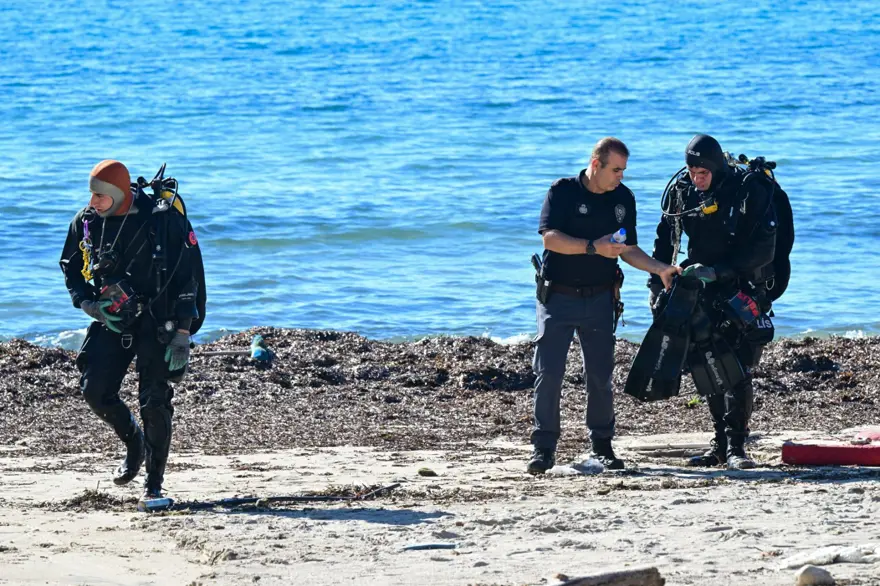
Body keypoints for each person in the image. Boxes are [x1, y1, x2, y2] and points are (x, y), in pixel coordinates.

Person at [528, 138, 680, 474]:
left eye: (623, 170)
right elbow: (549, 238)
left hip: (600, 298)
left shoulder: (623, 198)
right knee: (549, 373)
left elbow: (627, 249)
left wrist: (660, 269)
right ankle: (543, 448)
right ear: (595, 165)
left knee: (600, 375)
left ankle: (602, 446)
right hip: (558, 296)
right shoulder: (562, 191)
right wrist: (592, 248)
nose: (620, 177)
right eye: (615, 170)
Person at [59, 160, 203, 504]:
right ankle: (133, 442)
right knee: (95, 390)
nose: (92, 201)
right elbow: (71, 268)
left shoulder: (162, 219)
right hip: (114, 317)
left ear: (120, 193)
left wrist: (183, 332)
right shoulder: (88, 222)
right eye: (91, 193)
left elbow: (190, 278)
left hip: (159, 318)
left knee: (154, 401)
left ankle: (154, 485)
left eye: (100, 195)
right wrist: (88, 304)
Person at [649, 134, 778, 470]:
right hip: (699, 289)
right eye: (691, 169)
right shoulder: (683, 192)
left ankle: (737, 448)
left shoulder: (747, 190)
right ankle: (718, 445)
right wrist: (655, 284)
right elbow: (665, 239)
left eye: (702, 170)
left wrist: (719, 272)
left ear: (716, 166)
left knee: (737, 369)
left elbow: (764, 249)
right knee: (706, 365)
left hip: (741, 285)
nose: (696, 176)